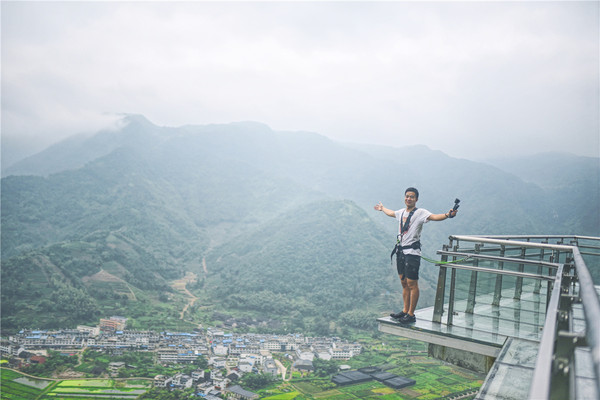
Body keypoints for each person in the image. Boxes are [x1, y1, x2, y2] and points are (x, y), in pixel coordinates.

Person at [374, 187, 458, 324]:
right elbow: (391, 213)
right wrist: (383, 208)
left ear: (416, 199)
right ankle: (405, 311)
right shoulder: (401, 213)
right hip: (401, 252)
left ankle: (411, 314)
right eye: (407, 196)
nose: (409, 199)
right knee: (403, 282)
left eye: (412, 197)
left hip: (412, 253)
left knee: (412, 283)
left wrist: (448, 215)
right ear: (404, 198)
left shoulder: (420, 213)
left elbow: (434, 217)